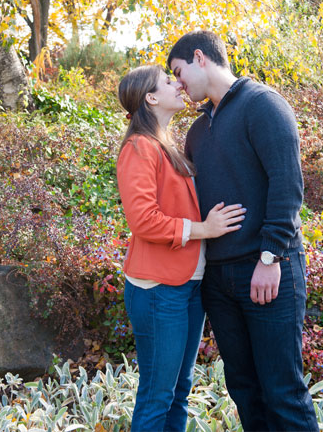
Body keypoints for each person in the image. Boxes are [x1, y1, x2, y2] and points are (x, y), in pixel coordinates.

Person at [167, 30, 319, 431]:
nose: (178, 84)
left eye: (179, 73)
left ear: (200, 57)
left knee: (282, 391)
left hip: (268, 268)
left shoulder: (263, 105)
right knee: (244, 389)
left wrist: (270, 256)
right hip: (220, 280)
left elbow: (288, 186)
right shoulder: (197, 133)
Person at [116, 65, 246, 432]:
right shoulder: (138, 147)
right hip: (158, 289)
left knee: (179, 391)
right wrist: (204, 229)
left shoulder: (166, 142)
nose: (178, 84)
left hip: (188, 285)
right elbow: (143, 220)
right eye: (168, 81)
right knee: (158, 395)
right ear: (151, 98)